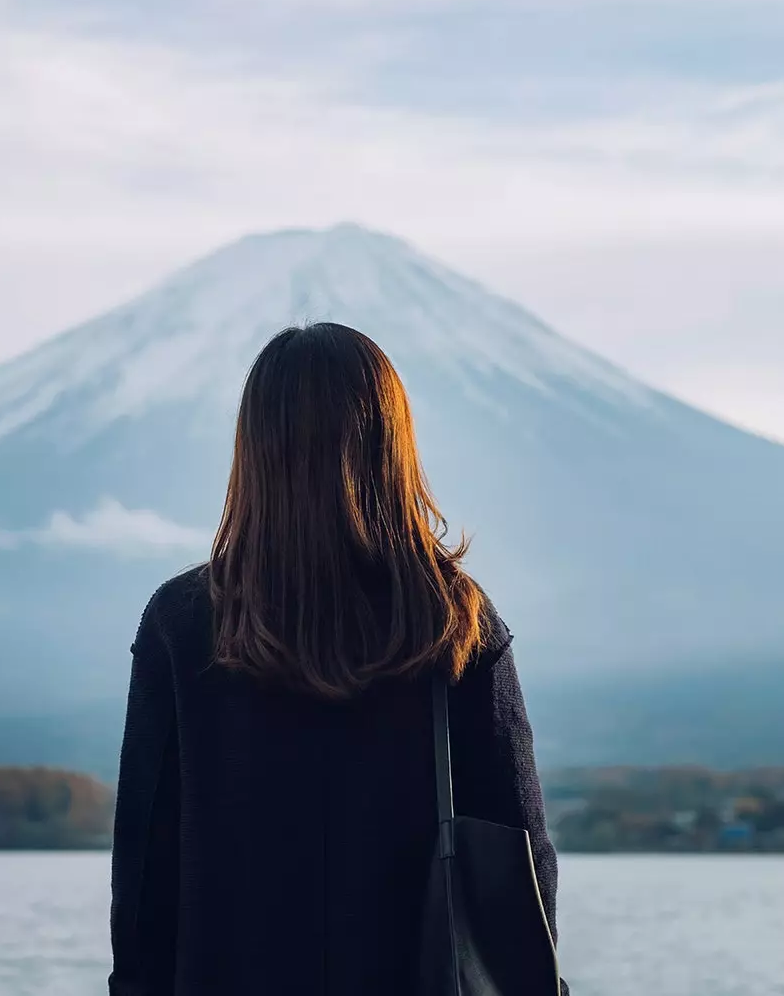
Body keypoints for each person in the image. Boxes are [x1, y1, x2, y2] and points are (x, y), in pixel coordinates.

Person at [109, 322, 564, 995]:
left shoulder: (183, 622)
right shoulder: (454, 619)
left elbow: (145, 876)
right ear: (391, 443)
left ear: (255, 448)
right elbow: (522, 865)